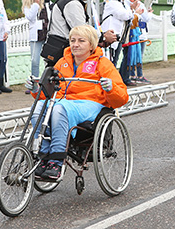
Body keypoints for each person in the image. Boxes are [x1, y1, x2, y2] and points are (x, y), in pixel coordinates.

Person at [27, 25, 129, 179]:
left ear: (91, 45)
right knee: (40, 107)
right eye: (72, 40)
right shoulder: (62, 62)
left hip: (90, 104)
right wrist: (36, 89)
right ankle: (44, 154)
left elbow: (122, 97)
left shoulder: (103, 63)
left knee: (59, 108)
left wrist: (110, 88)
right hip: (64, 102)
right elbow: (50, 94)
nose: (75, 44)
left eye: (81, 41)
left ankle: (56, 160)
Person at [22, 0, 49, 93]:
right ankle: (34, 84)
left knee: (48, 60)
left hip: (46, 33)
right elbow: (30, 17)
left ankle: (47, 83)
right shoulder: (29, 5)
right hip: (36, 36)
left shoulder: (47, 3)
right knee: (35, 61)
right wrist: (36, 4)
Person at [130, 0, 153, 84]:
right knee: (139, 55)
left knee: (132, 55)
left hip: (133, 33)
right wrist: (150, 13)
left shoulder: (131, 4)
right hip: (140, 33)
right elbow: (146, 18)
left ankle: (132, 74)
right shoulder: (141, 5)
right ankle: (139, 75)